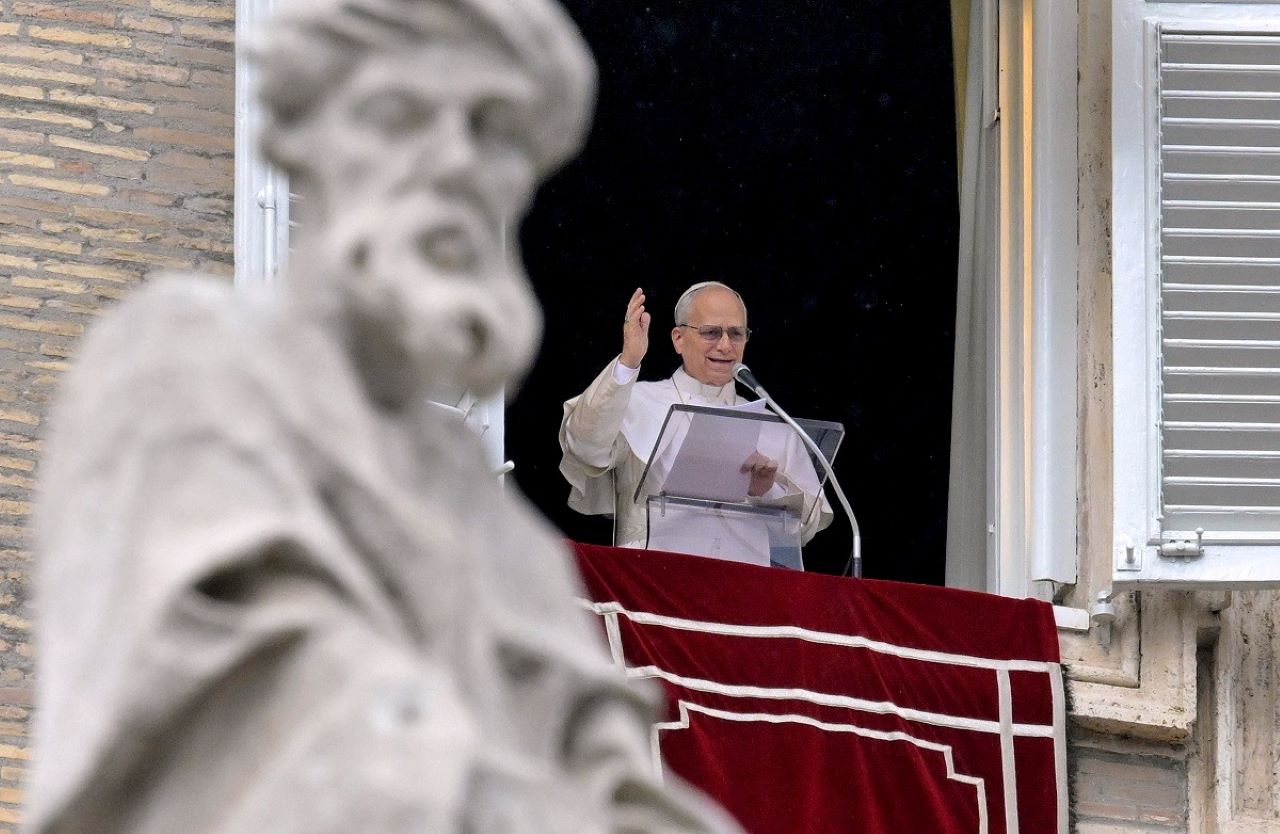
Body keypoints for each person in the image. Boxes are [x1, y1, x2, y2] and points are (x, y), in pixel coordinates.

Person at [27, 0, 741, 832]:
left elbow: (608, 765)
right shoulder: (186, 360)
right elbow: (269, 699)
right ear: (300, 137)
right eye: (399, 114)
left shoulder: (495, 525)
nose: (453, 162)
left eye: (494, 132)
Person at [559, 282, 833, 551]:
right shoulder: (636, 402)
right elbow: (585, 448)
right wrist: (628, 363)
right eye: (711, 332)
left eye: (736, 334)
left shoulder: (774, 426)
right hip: (652, 581)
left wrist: (769, 490)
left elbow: (804, 532)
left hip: (744, 586)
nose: (725, 346)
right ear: (678, 339)